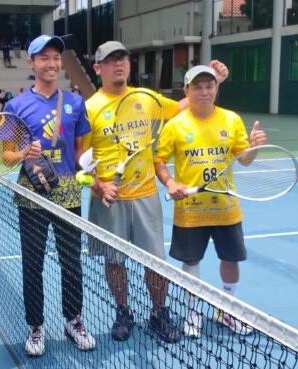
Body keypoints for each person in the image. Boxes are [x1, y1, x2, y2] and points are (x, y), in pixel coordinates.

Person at [83, 40, 229, 343]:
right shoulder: (90, 108)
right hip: (110, 200)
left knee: (156, 262)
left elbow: (183, 106)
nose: (119, 63)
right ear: (98, 69)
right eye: (110, 60)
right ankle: (123, 311)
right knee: (114, 261)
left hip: (147, 195)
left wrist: (216, 81)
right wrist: (99, 185)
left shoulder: (147, 98)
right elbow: (80, 162)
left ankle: (158, 313)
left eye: (122, 57)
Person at [154, 65, 266, 339]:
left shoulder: (231, 119)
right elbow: (159, 161)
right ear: (187, 91)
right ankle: (193, 311)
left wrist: (253, 147)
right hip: (191, 210)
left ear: (216, 89)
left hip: (226, 207)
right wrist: (170, 183)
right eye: (198, 87)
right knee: (191, 260)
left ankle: (227, 309)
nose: (204, 92)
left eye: (209, 86)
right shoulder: (176, 125)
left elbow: (244, 159)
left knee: (230, 259)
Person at [3, 34, 96, 357]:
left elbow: (81, 147)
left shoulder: (74, 102)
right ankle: (36, 326)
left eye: (56, 58)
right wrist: (24, 153)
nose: (52, 64)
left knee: (72, 263)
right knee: (33, 264)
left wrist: (85, 171)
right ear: (31, 63)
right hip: (32, 193)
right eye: (44, 58)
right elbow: (6, 155)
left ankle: (74, 320)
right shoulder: (15, 106)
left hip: (68, 191)